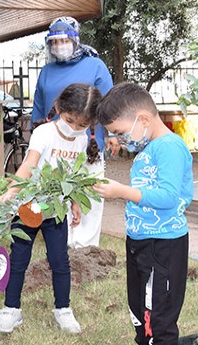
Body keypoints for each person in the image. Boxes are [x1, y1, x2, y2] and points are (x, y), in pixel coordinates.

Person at [93, 82, 192, 345]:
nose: (120, 140)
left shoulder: (169, 147)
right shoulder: (148, 150)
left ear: (144, 119)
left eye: (120, 133)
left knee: (157, 322)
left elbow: (169, 197)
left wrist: (121, 192)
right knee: (141, 315)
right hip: (140, 243)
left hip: (163, 246)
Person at [0, 83, 102, 334]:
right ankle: (11, 309)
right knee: (19, 259)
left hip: (55, 211)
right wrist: (11, 192)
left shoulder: (81, 139)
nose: (74, 128)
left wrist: (74, 203)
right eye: (70, 120)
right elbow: (29, 165)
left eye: (82, 125)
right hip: (29, 207)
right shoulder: (44, 133)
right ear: (58, 108)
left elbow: (74, 175)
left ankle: (63, 309)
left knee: (60, 262)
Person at [31, 16, 120, 249]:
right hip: (56, 143)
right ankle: (64, 245)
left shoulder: (95, 66)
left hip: (89, 142)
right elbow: (39, 107)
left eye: (64, 40)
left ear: (75, 40)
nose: (59, 45)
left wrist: (112, 135)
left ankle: (87, 247)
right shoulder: (47, 71)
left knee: (89, 193)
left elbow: (108, 103)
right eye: (54, 41)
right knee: (58, 194)